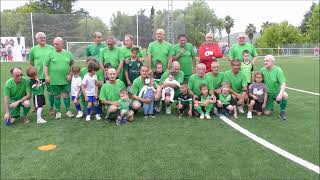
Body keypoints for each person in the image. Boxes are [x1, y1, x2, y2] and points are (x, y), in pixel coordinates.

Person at [43, 37, 74, 119]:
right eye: (54, 44)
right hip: (54, 79)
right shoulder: (50, 54)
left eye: (57, 44)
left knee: (66, 95)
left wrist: (70, 75)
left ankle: (68, 111)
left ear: (62, 44)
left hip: (65, 79)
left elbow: (72, 64)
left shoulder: (68, 53)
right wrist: (46, 76)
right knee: (57, 96)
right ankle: (58, 112)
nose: (55, 45)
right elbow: (45, 65)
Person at [29, 32, 55, 115]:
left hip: (49, 75)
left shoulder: (51, 48)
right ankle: (36, 106)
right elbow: (31, 62)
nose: (43, 39)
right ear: (37, 39)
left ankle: (51, 108)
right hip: (38, 75)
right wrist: (35, 71)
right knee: (37, 92)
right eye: (41, 37)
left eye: (44, 37)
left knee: (51, 92)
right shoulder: (33, 50)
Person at [260, 55, 288, 120]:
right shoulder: (262, 70)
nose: (265, 62)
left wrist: (280, 94)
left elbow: (283, 83)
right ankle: (270, 106)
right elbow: (259, 83)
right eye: (264, 61)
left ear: (272, 62)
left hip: (276, 92)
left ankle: (282, 112)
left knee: (285, 95)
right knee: (266, 113)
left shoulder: (278, 70)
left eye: (267, 61)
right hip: (267, 94)